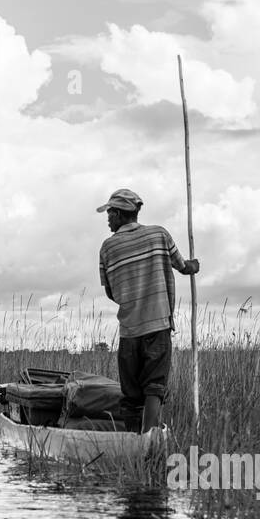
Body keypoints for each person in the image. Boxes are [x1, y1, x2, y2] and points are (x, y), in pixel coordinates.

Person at [97, 188, 199, 440]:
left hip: (130, 328)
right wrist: (193, 266)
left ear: (120, 214)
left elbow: (111, 291)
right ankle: (148, 439)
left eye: (110, 213)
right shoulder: (159, 235)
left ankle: (136, 441)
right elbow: (183, 266)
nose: (108, 218)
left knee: (132, 392)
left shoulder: (108, 247)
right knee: (153, 387)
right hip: (157, 325)